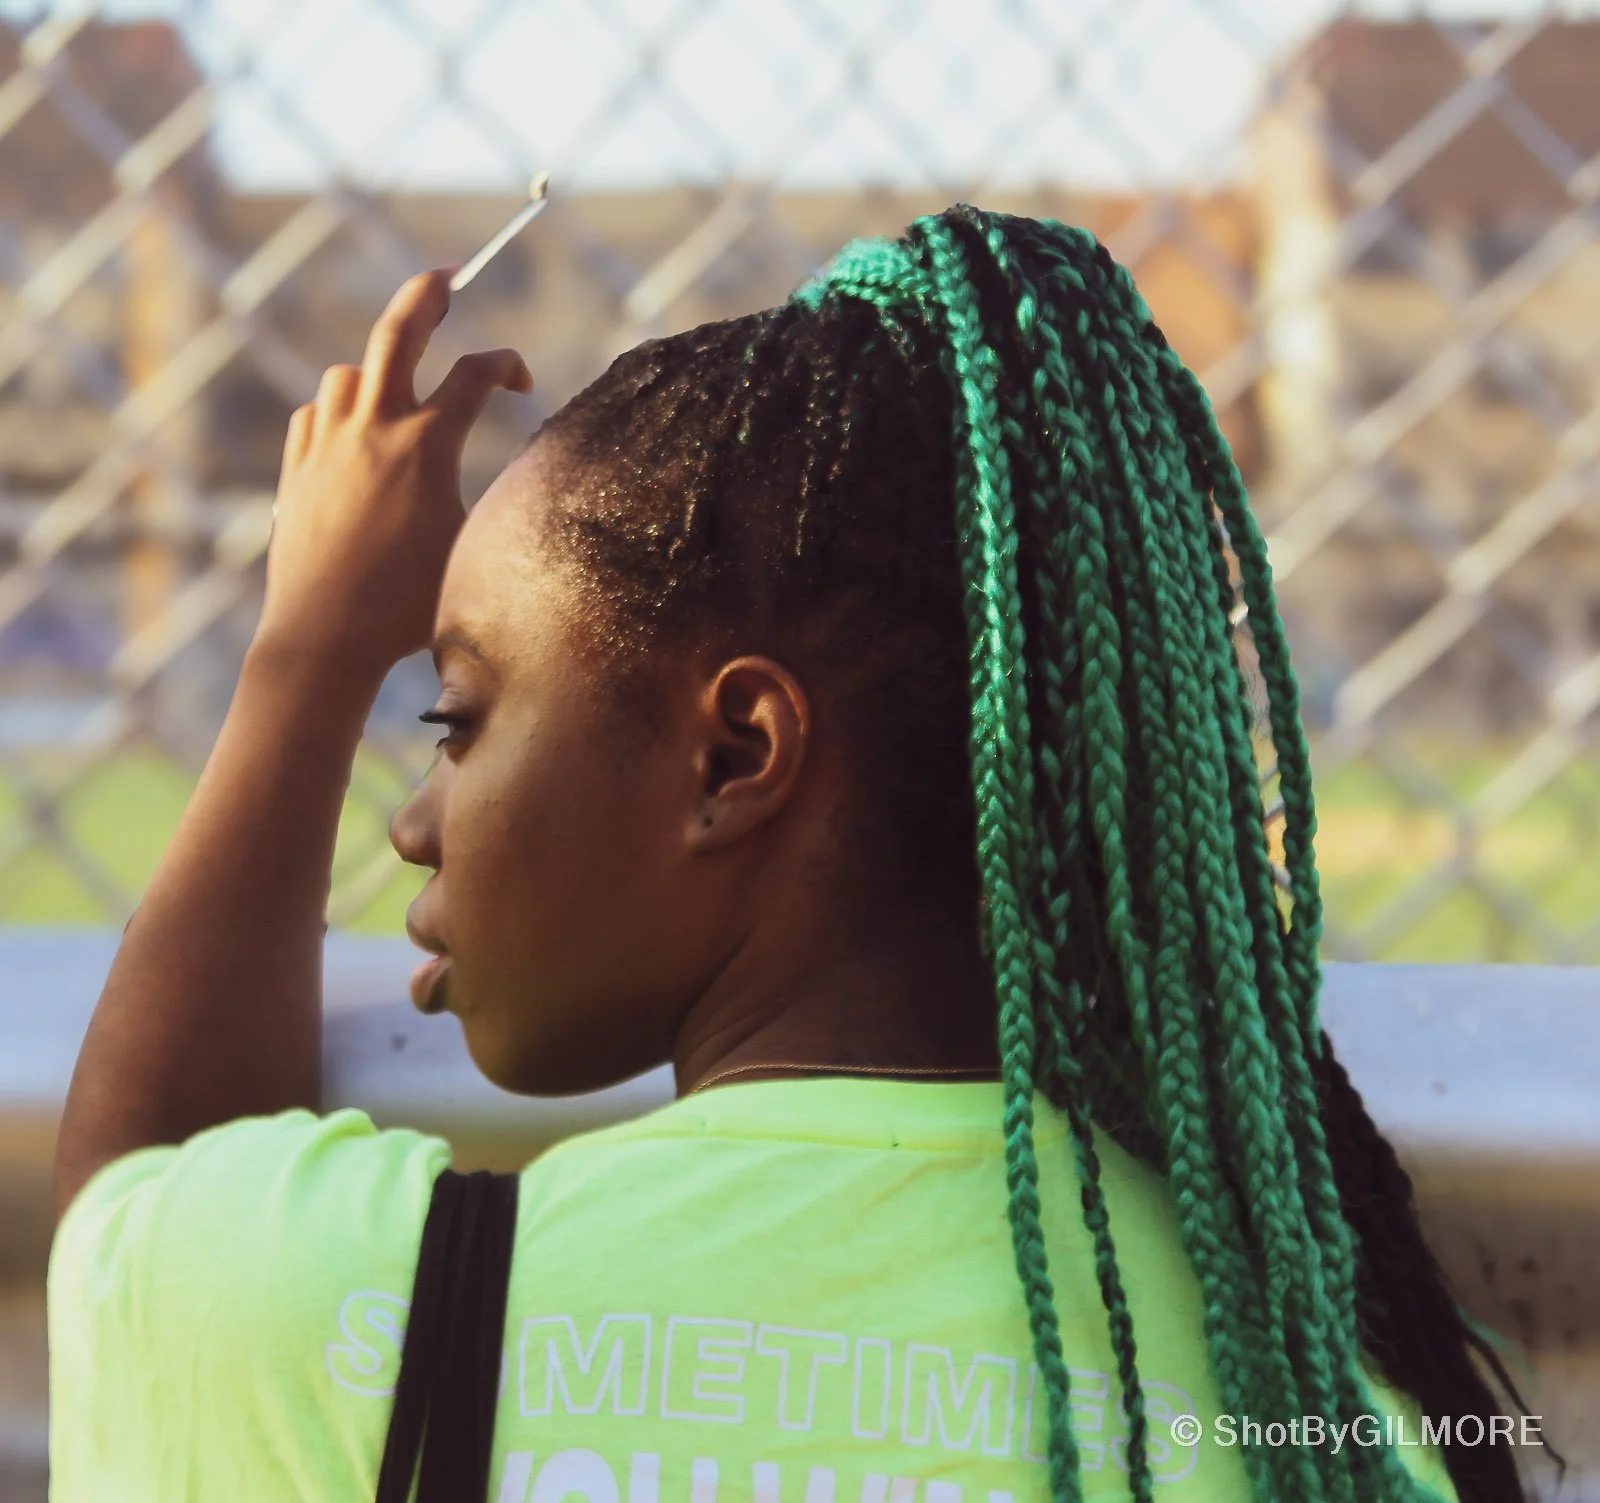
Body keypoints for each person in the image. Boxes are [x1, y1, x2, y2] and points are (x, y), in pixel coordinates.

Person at [48, 207, 1527, 1503]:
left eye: (456, 716)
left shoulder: (372, 1317)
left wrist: (305, 652)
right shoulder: (1326, 1405)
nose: (415, 818)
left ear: (737, 755)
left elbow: (136, 1214)